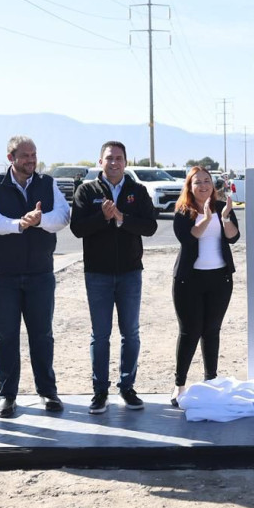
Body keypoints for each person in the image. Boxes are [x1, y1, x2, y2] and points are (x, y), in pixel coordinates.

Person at [0, 136, 70, 418]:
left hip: (40, 272)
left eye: (34, 154)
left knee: (42, 335)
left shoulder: (47, 183)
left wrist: (41, 220)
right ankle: (7, 395)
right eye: (25, 155)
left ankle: (47, 391)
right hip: (3, 273)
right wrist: (18, 224)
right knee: (4, 335)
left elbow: (63, 215)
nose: (31, 160)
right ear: (11, 158)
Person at [70, 141, 158, 414]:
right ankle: (100, 392)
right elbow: (77, 229)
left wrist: (121, 218)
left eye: (119, 158)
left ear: (125, 162)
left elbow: (150, 227)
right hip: (97, 274)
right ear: (100, 162)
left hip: (130, 273)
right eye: (109, 158)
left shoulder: (137, 191)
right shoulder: (87, 191)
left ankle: (127, 388)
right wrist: (102, 217)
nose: (114, 163)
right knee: (100, 335)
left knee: (130, 333)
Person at [170, 166, 240, 406]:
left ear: (213, 184)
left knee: (212, 330)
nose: (203, 185)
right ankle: (179, 385)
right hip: (189, 280)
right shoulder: (183, 210)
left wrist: (224, 218)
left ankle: (211, 381)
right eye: (197, 182)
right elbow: (188, 239)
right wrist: (207, 219)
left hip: (220, 279)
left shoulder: (222, 207)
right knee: (189, 332)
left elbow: (233, 237)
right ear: (189, 187)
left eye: (207, 181)